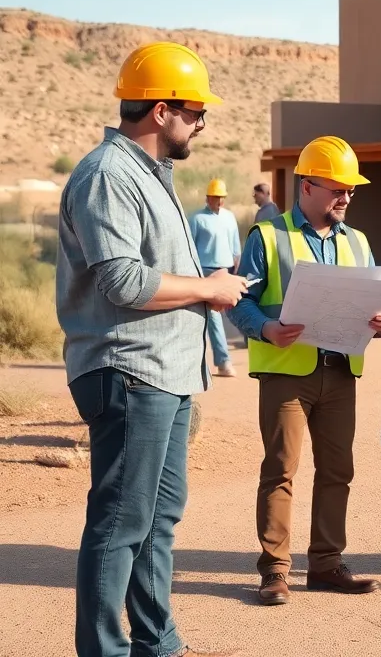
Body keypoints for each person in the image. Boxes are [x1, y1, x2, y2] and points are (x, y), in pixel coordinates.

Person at [56, 41, 247, 657]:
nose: (202, 122)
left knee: (157, 519)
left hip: (164, 373)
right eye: (196, 111)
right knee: (121, 520)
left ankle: (157, 642)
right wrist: (209, 288)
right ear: (161, 111)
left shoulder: (149, 175)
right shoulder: (108, 175)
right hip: (129, 371)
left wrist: (208, 289)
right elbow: (122, 281)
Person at [229, 135, 381, 605]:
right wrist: (266, 327)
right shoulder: (267, 236)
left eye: (350, 190)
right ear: (306, 186)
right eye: (337, 189)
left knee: (338, 470)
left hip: (340, 372)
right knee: (280, 469)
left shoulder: (358, 242)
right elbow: (239, 301)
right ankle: (274, 570)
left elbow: (376, 301)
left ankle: (326, 563)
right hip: (287, 374)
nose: (346, 198)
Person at [188, 178, 242, 377]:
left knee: (230, 311)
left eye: (222, 197)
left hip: (225, 270)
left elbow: (235, 247)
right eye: (215, 197)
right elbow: (189, 248)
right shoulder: (196, 219)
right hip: (204, 271)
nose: (219, 201)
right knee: (214, 316)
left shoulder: (229, 217)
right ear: (208, 198)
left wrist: (237, 268)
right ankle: (223, 361)